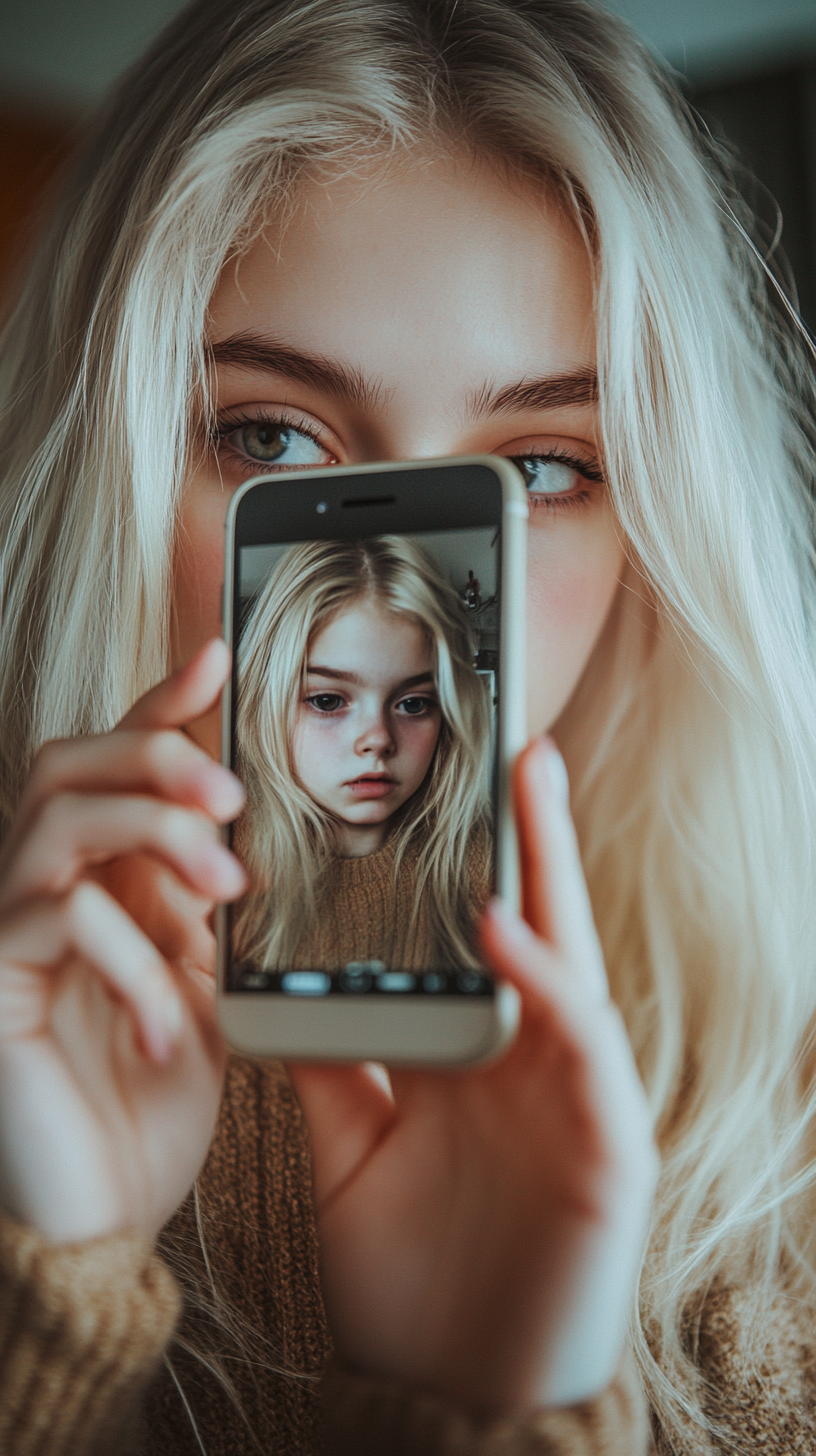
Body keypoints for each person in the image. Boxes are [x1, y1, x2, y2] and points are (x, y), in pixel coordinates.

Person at [0, 0, 813, 1452]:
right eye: (272, 439)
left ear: (663, 525)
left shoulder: (790, 1145)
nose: (411, 606)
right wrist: (45, 1297)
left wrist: (493, 1407)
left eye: (540, 469)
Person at [232, 535, 492, 973]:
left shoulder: (488, 870)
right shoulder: (207, 863)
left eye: (413, 704)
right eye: (328, 701)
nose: (377, 740)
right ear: (266, 702)